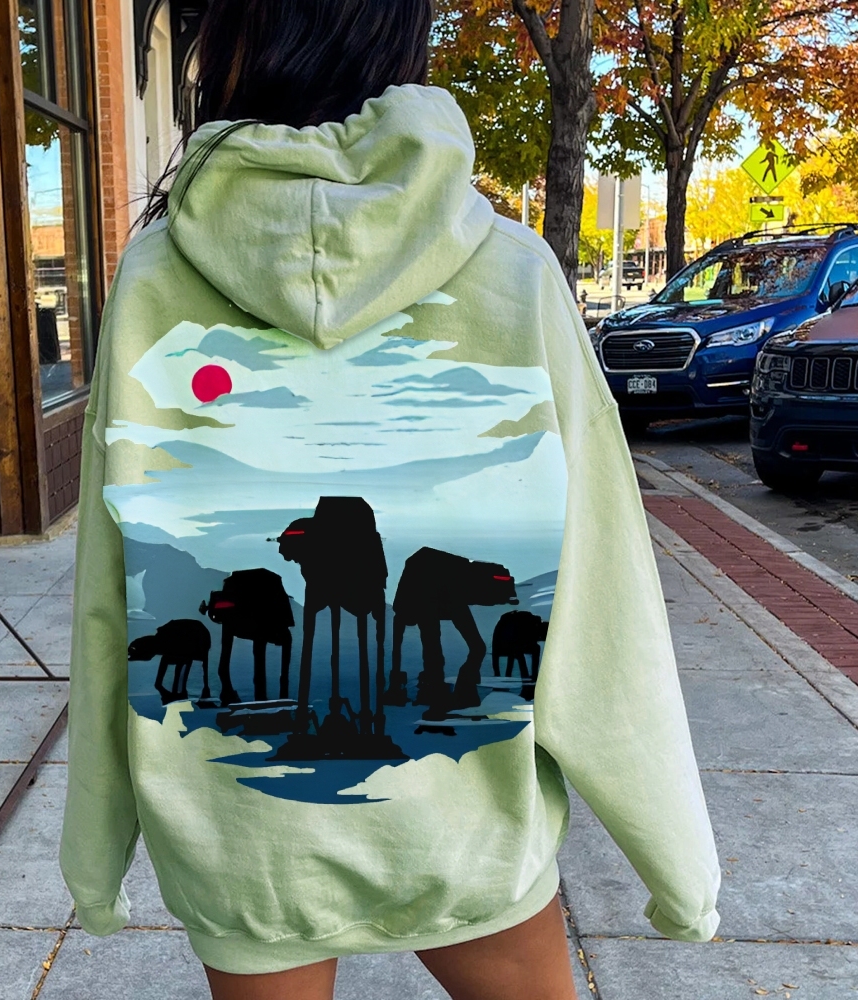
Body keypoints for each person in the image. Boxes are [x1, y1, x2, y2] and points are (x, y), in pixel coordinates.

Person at [59, 3, 721, 998]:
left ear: (232, 44)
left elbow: (110, 592)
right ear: (400, 41)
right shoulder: (515, 273)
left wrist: (95, 849)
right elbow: (605, 597)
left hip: (244, 850)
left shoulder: (152, 279)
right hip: (469, 835)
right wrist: (678, 864)